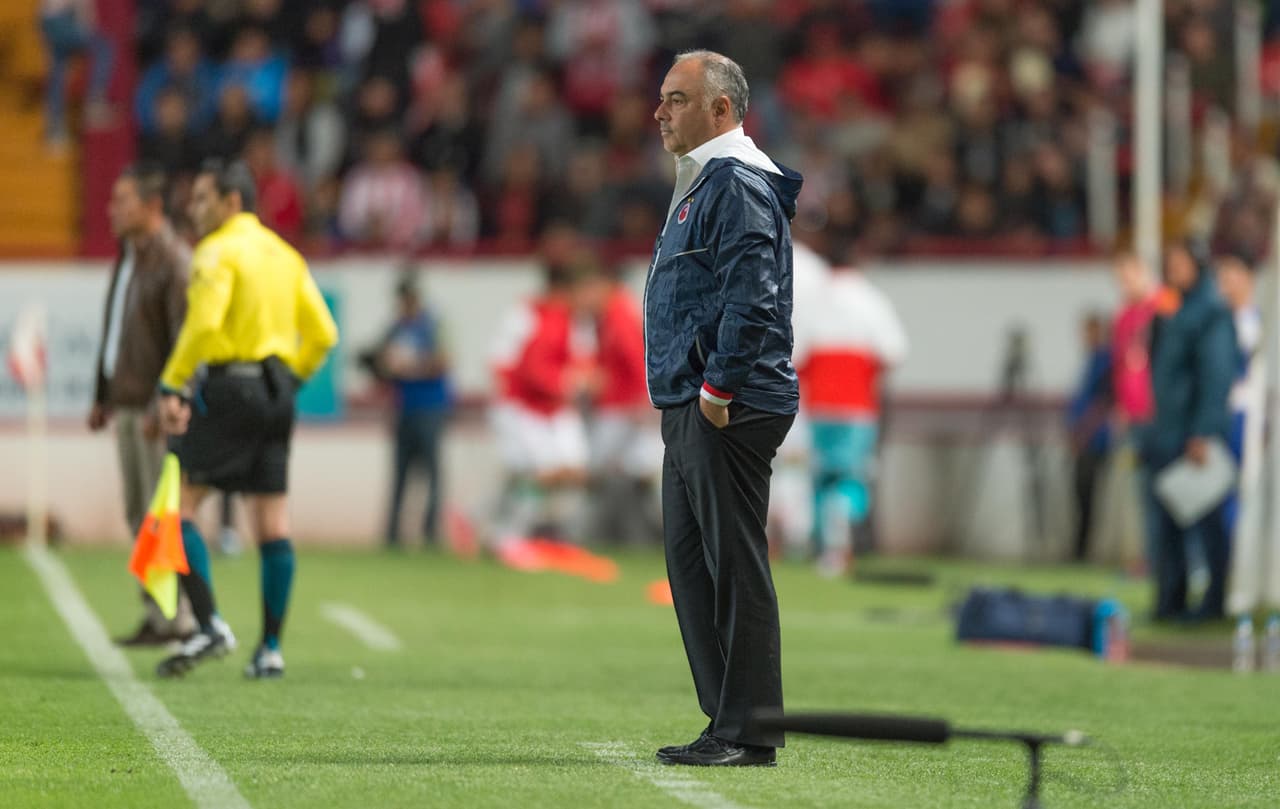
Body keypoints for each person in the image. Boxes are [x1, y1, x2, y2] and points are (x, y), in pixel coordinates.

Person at [646, 51, 803, 767]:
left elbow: (754, 296)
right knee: (694, 564)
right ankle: (727, 721)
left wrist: (718, 389)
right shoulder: (707, 182)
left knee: (731, 564)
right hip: (693, 399)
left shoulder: (733, 183)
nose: (660, 111)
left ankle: (749, 729)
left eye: (676, 99)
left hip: (723, 404)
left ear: (721, 110)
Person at [155, 159, 339, 679]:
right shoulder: (286, 255)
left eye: (202, 199)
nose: (193, 209)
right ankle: (271, 649)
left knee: (181, 507)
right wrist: (291, 381)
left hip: (230, 385)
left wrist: (173, 380)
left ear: (232, 202)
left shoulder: (215, 252)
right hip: (277, 391)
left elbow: (205, 323)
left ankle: (209, 623)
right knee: (273, 522)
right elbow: (323, 334)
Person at [90, 163, 197, 646]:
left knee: (161, 516)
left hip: (153, 410)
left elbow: (185, 341)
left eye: (123, 200)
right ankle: (159, 613)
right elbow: (116, 330)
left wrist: (167, 400)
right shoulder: (131, 256)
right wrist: (103, 394)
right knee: (141, 515)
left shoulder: (172, 260)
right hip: (129, 403)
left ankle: (179, 617)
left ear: (152, 206)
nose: (113, 209)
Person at [795, 253, 908, 576]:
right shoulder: (872, 300)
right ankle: (839, 541)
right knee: (851, 476)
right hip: (857, 407)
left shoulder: (815, 302)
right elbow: (894, 350)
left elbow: (795, 355)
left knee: (820, 477)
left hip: (819, 406)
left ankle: (821, 546)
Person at [1141, 242, 1236, 622]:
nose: (1174, 270)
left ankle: (1214, 601)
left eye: (1181, 263)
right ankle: (1171, 598)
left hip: (1191, 433)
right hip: (1165, 429)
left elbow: (1216, 375)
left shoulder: (1211, 312)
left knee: (1206, 521)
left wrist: (1203, 432)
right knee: (1167, 523)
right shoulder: (1169, 308)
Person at [487, 256, 594, 546]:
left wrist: (575, 383)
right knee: (539, 473)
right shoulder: (526, 315)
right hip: (524, 407)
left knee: (574, 470)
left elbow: (583, 365)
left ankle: (551, 531)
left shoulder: (577, 322)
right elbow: (506, 365)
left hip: (557, 407)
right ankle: (508, 533)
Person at [578, 260, 661, 545]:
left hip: (622, 409)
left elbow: (637, 359)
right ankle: (633, 535)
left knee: (596, 470)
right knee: (631, 472)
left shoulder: (618, 316)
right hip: (618, 407)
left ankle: (592, 534)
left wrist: (644, 398)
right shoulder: (609, 316)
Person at [378, 275, 453, 548]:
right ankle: (393, 534)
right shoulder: (394, 328)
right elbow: (384, 366)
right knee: (400, 474)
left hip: (431, 407)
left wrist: (411, 366)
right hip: (404, 408)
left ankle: (431, 532)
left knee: (432, 474)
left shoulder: (433, 325)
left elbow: (444, 361)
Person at [1065, 312, 1112, 562]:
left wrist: (1083, 432)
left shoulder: (1105, 361)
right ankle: (1078, 547)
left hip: (1094, 439)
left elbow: (1103, 401)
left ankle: (1083, 551)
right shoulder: (1089, 360)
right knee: (1078, 494)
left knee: (1088, 493)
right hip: (1082, 438)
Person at [40, 0, 115, 146]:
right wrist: (86, 26)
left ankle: (54, 131)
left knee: (58, 73)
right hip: (62, 18)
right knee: (103, 47)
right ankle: (94, 104)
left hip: (48, 20)